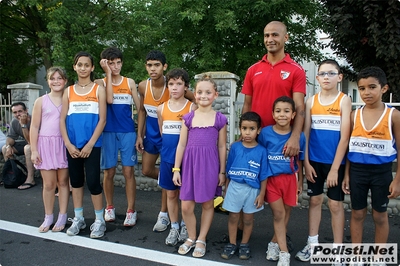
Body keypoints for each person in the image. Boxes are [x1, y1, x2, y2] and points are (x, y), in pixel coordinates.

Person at [295, 59, 351, 263]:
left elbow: (345, 137)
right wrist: (307, 163)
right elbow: (306, 134)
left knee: (336, 205)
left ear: (340, 76)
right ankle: (312, 244)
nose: (326, 77)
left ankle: (338, 250)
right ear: (317, 78)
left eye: (331, 73)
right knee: (315, 201)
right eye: (323, 74)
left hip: (335, 163)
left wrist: (336, 169)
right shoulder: (311, 101)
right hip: (314, 162)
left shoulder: (344, 100)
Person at [343, 67, 400, 254]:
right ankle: (357, 254)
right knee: (357, 213)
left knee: (380, 215)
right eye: (362, 88)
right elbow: (350, 147)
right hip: (357, 172)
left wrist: (397, 180)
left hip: (382, 173)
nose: (366, 92)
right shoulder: (354, 115)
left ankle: (379, 255)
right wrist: (346, 175)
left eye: (372, 87)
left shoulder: (394, 116)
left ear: (384, 88)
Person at [135, 50, 194, 232]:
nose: (153, 69)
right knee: (147, 170)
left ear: (164, 66)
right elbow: (143, 111)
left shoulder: (174, 87)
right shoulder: (143, 86)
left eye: (157, 65)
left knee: (166, 175)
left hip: (172, 138)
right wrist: (139, 134)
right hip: (153, 134)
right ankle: (172, 181)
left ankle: (163, 214)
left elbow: (194, 99)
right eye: (149, 65)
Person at [173, 74, 227, 258]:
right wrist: (176, 169)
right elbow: (181, 145)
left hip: (210, 166)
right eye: (200, 92)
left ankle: (201, 238)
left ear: (215, 95)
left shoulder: (219, 119)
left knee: (207, 204)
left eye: (208, 92)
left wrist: (222, 171)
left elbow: (221, 146)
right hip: (189, 166)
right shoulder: (188, 118)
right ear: (194, 95)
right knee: (186, 206)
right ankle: (191, 236)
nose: (203, 96)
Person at [241, 20, 306, 158]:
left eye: (275, 35)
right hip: (256, 136)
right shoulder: (253, 70)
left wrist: (295, 137)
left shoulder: (296, 70)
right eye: (266, 36)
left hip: (282, 138)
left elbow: (299, 106)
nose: (270, 39)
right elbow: (247, 104)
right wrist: (244, 132)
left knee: (284, 177)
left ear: (285, 37)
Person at [60, 51, 107, 238]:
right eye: (80, 64)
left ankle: (99, 220)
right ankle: (78, 218)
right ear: (74, 67)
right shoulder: (68, 91)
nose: (83, 68)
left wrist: (90, 144)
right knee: (76, 182)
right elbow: (62, 120)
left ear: (92, 67)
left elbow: (102, 120)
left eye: (87, 65)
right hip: (72, 145)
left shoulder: (98, 90)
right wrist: (68, 144)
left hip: (92, 145)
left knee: (94, 182)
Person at [95, 47, 140, 226]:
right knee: (109, 171)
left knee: (129, 171)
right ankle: (109, 206)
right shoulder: (100, 82)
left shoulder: (129, 82)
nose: (115, 66)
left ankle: (131, 210)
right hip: (107, 131)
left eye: (118, 62)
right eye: (110, 63)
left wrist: (140, 134)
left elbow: (140, 108)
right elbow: (109, 100)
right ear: (105, 64)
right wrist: (107, 74)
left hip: (127, 131)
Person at [258, 96, 305, 266]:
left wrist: (300, 181)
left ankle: (274, 243)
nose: (282, 115)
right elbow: (260, 155)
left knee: (285, 214)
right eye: (278, 111)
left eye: (286, 111)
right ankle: (284, 253)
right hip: (271, 180)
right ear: (272, 114)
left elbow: (300, 160)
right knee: (278, 214)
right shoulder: (265, 133)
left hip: (290, 179)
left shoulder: (298, 136)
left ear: (293, 114)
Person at [220, 111, 268, 260]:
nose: (247, 132)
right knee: (233, 217)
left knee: (248, 219)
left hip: (252, 190)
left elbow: (264, 175)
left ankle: (245, 244)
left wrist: (262, 194)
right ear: (240, 129)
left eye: (252, 129)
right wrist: (226, 189)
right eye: (244, 128)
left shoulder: (262, 151)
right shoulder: (235, 147)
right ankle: (232, 243)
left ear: (258, 130)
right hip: (234, 187)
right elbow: (228, 169)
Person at [157, 68, 195, 246]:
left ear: (186, 86)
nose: (174, 87)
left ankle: (186, 226)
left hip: (187, 160)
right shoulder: (161, 108)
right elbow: (162, 133)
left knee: (186, 196)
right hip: (167, 158)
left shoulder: (191, 107)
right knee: (171, 194)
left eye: (179, 84)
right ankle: (174, 226)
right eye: (171, 83)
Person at [30, 67, 70, 232]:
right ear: (48, 81)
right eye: (52, 78)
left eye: (59, 78)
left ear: (65, 81)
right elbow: (34, 126)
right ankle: (48, 217)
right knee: (48, 184)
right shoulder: (41, 101)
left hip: (63, 143)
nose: (56, 81)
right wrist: (34, 150)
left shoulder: (70, 99)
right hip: (45, 145)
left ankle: (62, 216)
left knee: (62, 182)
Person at [1, 102, 36, 190]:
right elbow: (11, 137)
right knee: (5, 148)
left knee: (28, 148)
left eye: (20, 111)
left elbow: (31, 141)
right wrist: (8, 146)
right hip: (27, 143)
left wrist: (23, 125)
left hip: (38, 144)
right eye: (15, 112)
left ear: (26, 111)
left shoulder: (34, 119)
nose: (17, 114)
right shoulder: (14, 121)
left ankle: (30, 179)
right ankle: (14, 176)